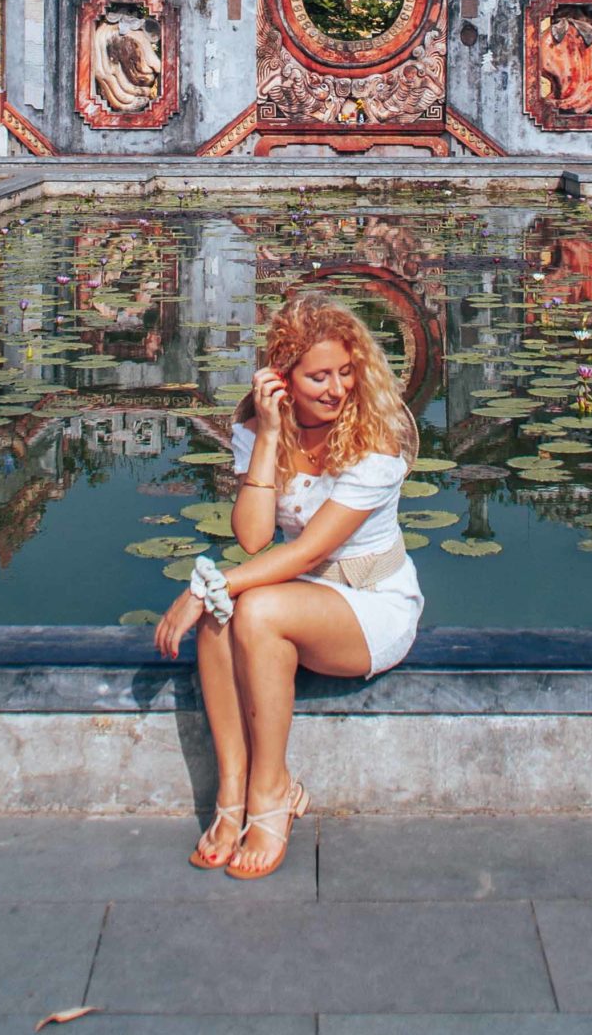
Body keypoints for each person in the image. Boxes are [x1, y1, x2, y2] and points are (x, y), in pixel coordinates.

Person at [153, 293, 424, 879]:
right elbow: (252, 537)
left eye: (346, 373)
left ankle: (272, 789)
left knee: (244, 607)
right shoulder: (258, 428)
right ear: (283, 380)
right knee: (227, 614)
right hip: (298, 595)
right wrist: (270, 437)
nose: (336, 389)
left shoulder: (377, 440)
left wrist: (204, 585)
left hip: (371, 602)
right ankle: (233, 794)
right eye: (319, 376)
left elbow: (306, 549)